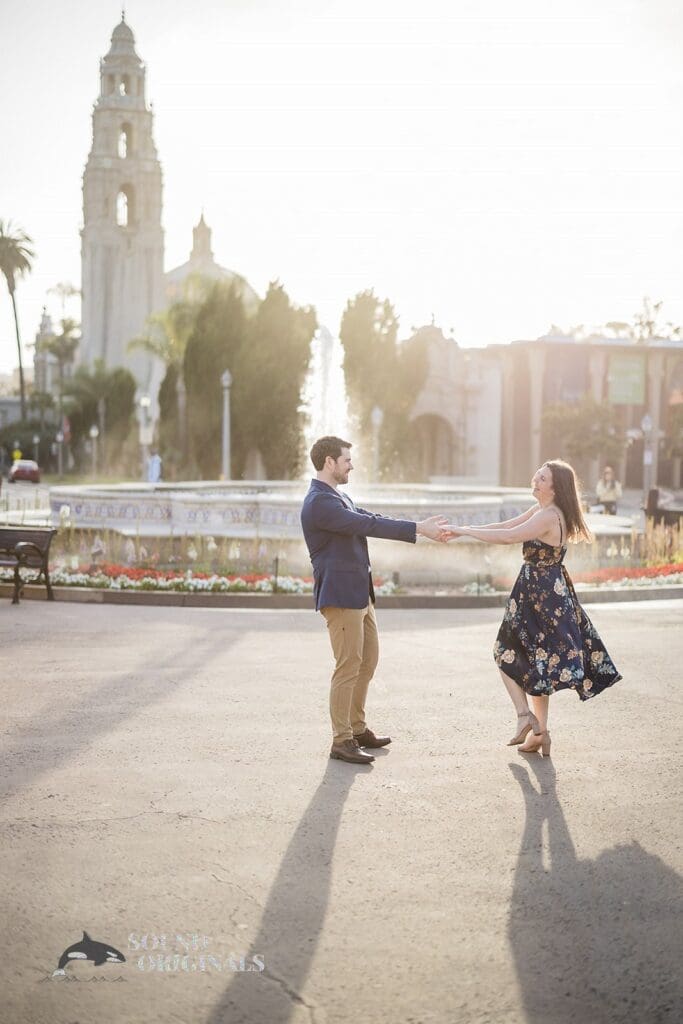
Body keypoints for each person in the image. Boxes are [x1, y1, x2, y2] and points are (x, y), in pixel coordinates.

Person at [444, 459, 621, 756]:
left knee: (504, 651)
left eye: (542, 479)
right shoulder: (544, 511)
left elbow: (510, 537)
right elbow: (505, 526)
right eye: (536, 476)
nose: (535, 481)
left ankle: (524, 716)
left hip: (539, 594)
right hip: (545, 591)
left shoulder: (549, 516)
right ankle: (541, 734)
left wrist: (467, 533)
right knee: (539, 663)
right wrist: (464, 529)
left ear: (555, 487)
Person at [301, 435, 448, 765]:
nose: (351, 465)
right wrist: (418, 530)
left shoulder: (339, 497)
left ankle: (356, 727)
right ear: (329, 463)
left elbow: (371, 516)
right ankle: (341, 740)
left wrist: (418, 527)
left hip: (358, 593)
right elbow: (368, 524)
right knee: (348, 666)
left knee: (367, 661)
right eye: (346, 460)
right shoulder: (320, 502)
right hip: (340, 595)